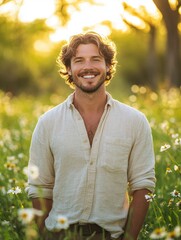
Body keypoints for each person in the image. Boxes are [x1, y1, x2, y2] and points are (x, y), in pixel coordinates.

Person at [26, 31, 155, 240]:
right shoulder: (47, 123)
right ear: (69, 68)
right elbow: (40, 187)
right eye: (79, 60)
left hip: (112, 236)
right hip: (60, 234)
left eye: (96, 59)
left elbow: (143, 186)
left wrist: (129, 238)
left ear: (108, 66)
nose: (88, 67)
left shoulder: (135, 122)